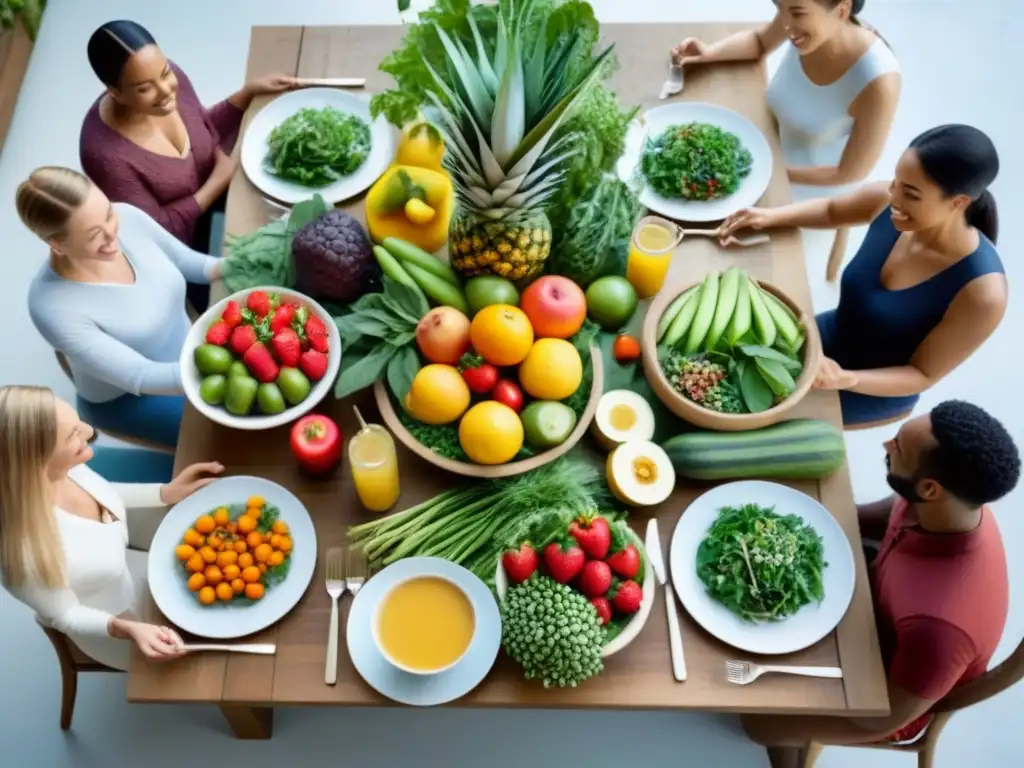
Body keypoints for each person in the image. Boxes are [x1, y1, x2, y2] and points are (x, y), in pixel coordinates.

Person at [743, 400, 1019, 751]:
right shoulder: (942, 506)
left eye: (898, 446)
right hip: (872, 608)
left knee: (757, 724)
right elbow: (861, 518)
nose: (886, 444)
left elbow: (883, 717)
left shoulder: (941, 629)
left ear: (929, 488)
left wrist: (782, 721)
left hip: (888, 695)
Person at [717, 125, 1005, 427]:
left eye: (911, 194)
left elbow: (922, 375)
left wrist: (845, 378)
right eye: (896, 181)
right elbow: (831, 210)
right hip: (825, 335)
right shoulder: (888, 201)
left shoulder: (983, 294)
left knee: (753, 422)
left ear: (958, 202)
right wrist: (768, 217)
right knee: (724, 373)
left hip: (867, 388)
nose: (894, 197)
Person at [0, 385, 226, 671]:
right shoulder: (22, 555)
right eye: (73, 436)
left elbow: (106, 493)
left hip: (139, 572)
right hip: (120, 622)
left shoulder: (66, 470)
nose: (89, 431)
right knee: (213, 664)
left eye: (77, 422)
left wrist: (165, 492)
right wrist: (127, 629)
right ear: (35, 463)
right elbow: (65, 614)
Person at [672, 0, 900, 278]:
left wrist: (772, 169)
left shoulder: (879, 83)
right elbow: (758, 42)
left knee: (725, 254)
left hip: (814, 183)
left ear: (842, 10)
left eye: (796, 13)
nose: (785, 23)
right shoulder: (801, 17)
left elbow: (850, 173)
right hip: (765, 142)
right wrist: (709, 53)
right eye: (780, 8)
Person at [80, 20, 295, 310]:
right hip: (188, 249)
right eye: (145, 88)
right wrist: (218, 181)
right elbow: (155, 231)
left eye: (165, 72)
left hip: (225, 199)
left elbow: (202, 133)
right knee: (263, 303)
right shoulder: (104, 153)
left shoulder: (170, 78)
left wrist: (244, 95)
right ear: (114, 92)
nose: (166, 90)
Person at [17, 166, 223, 449]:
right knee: (223, 439)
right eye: (93, 236)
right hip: (131, 398)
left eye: (108, 214)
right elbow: (140, 375)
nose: (113, 234)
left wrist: (242, 263)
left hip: (190, 355)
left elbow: (190, 263)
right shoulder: (51, 306)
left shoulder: (126, 216)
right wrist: (226, 363)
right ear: (57, 245)